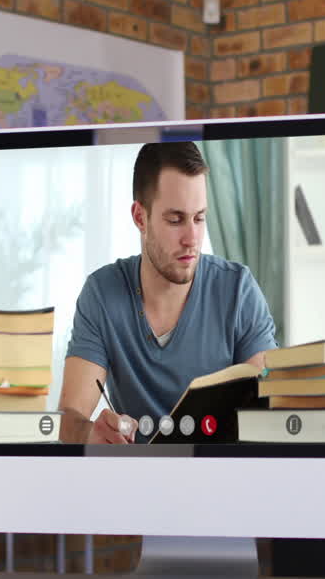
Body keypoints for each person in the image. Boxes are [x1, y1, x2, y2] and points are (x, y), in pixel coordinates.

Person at [59, 142, 277, 444]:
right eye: (175, 220)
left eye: (199, 218)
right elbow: (69, 419)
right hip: (136, 481)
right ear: (139, 217)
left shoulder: (239, 291)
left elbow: (268, 413)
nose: (192, 239)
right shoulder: (102, 294)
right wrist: (90, 433)